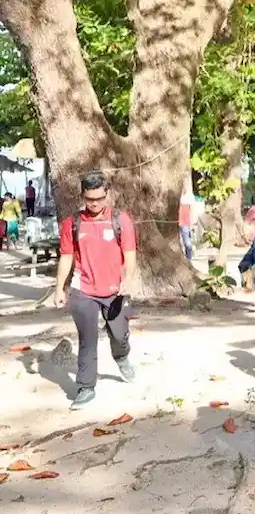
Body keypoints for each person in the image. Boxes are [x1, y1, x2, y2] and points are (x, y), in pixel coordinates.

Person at [53, 171, 138, 410]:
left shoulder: (121, 220)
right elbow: (66, 257)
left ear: (107, 194)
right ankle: (86, 387)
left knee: (119, 335)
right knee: (87, 340)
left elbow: (130, 254)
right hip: (84, 290)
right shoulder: (72, 223)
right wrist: (60, 287)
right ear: (82, 196)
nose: (95, 204)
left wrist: (127, 278)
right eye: (90, 199)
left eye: (99, 198)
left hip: (115, 290)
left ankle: (121, 357)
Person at [179, 192, 195, 261]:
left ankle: (189, 258)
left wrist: (191, 223)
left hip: (184, 223)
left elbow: (191, 212)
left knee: (187, 243)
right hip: (177, 223)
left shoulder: (187, 198)